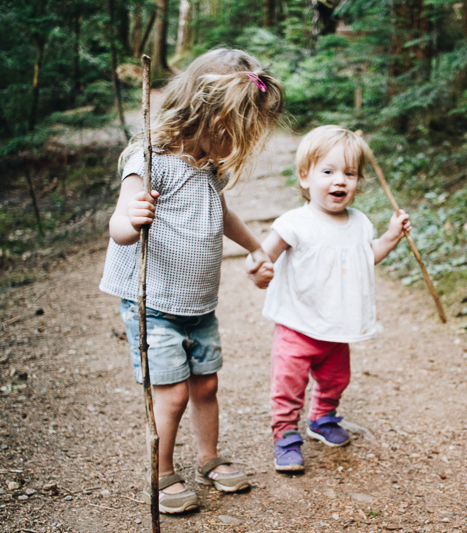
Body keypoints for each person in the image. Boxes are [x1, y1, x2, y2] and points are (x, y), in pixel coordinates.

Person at [99, 48, 284, 513]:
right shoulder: (149, 158)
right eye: (232, 133)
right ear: (203, 113)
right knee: (174, 392)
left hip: (199, 302)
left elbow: (220, 213)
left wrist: (256, 246)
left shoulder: (208, 165)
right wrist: (132, 218)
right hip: (154, 300)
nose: (236, 144)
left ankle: (209, 458)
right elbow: (118, 227)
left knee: (206, 385)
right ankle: (160, 472)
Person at [245, 125, 411, 472]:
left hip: (338, 325)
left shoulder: (359, 222)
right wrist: (259, 269)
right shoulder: (295, 222)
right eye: (328, 171)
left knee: (337, 379)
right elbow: (264, 254)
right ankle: (286, 435)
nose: (340, 181)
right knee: (288, 385)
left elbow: (368, 257)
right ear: (305, 177)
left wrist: (391, 236)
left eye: (349, 173)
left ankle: (322, 417)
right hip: (297, 325)